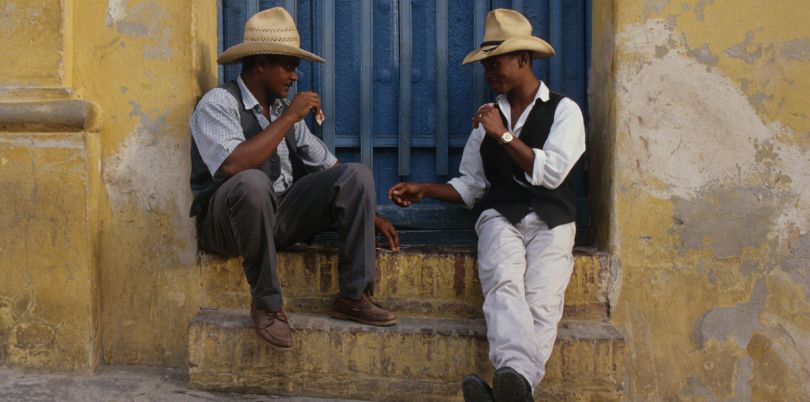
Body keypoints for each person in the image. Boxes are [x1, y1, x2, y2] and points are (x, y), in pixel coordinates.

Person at [388, 9, 585, 402]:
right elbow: (471, 186)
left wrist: (505, 136)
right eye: (486, 66)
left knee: (542, 304)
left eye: (494, 65)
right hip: (501, 216)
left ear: (523, 60)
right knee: (503, 285)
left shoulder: (565, 111)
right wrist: (425, 188)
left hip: (553, 220)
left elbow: (553, 174)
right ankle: (518, 383)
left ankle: (512, 384)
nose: (487, 74)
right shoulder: (487, 119)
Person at [189, 7, 400, 352]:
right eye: (288, 66)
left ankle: (353, 296)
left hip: (279, 215)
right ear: (260, 64)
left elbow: (328, 167)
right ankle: (268, 305)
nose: (295, 77)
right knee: (252, 182)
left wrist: (368, 214)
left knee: (356, 174)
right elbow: (232, 166)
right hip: (228, 224)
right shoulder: (219, 103)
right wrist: (288, 117)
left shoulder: (281, 109)